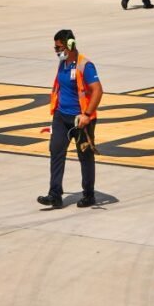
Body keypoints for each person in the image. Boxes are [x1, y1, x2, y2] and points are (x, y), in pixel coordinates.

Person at [37, 29, 103, 209]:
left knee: (85, 155)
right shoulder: (63, 63)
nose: (56, 51)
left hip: (80, 119)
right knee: (56, 151)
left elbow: (97, 90)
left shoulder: (84, 65)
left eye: (58, 47)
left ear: (70, 45)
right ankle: (55, 195)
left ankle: (89, 194)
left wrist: (87, 115)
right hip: (61, 116)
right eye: (55, 47)